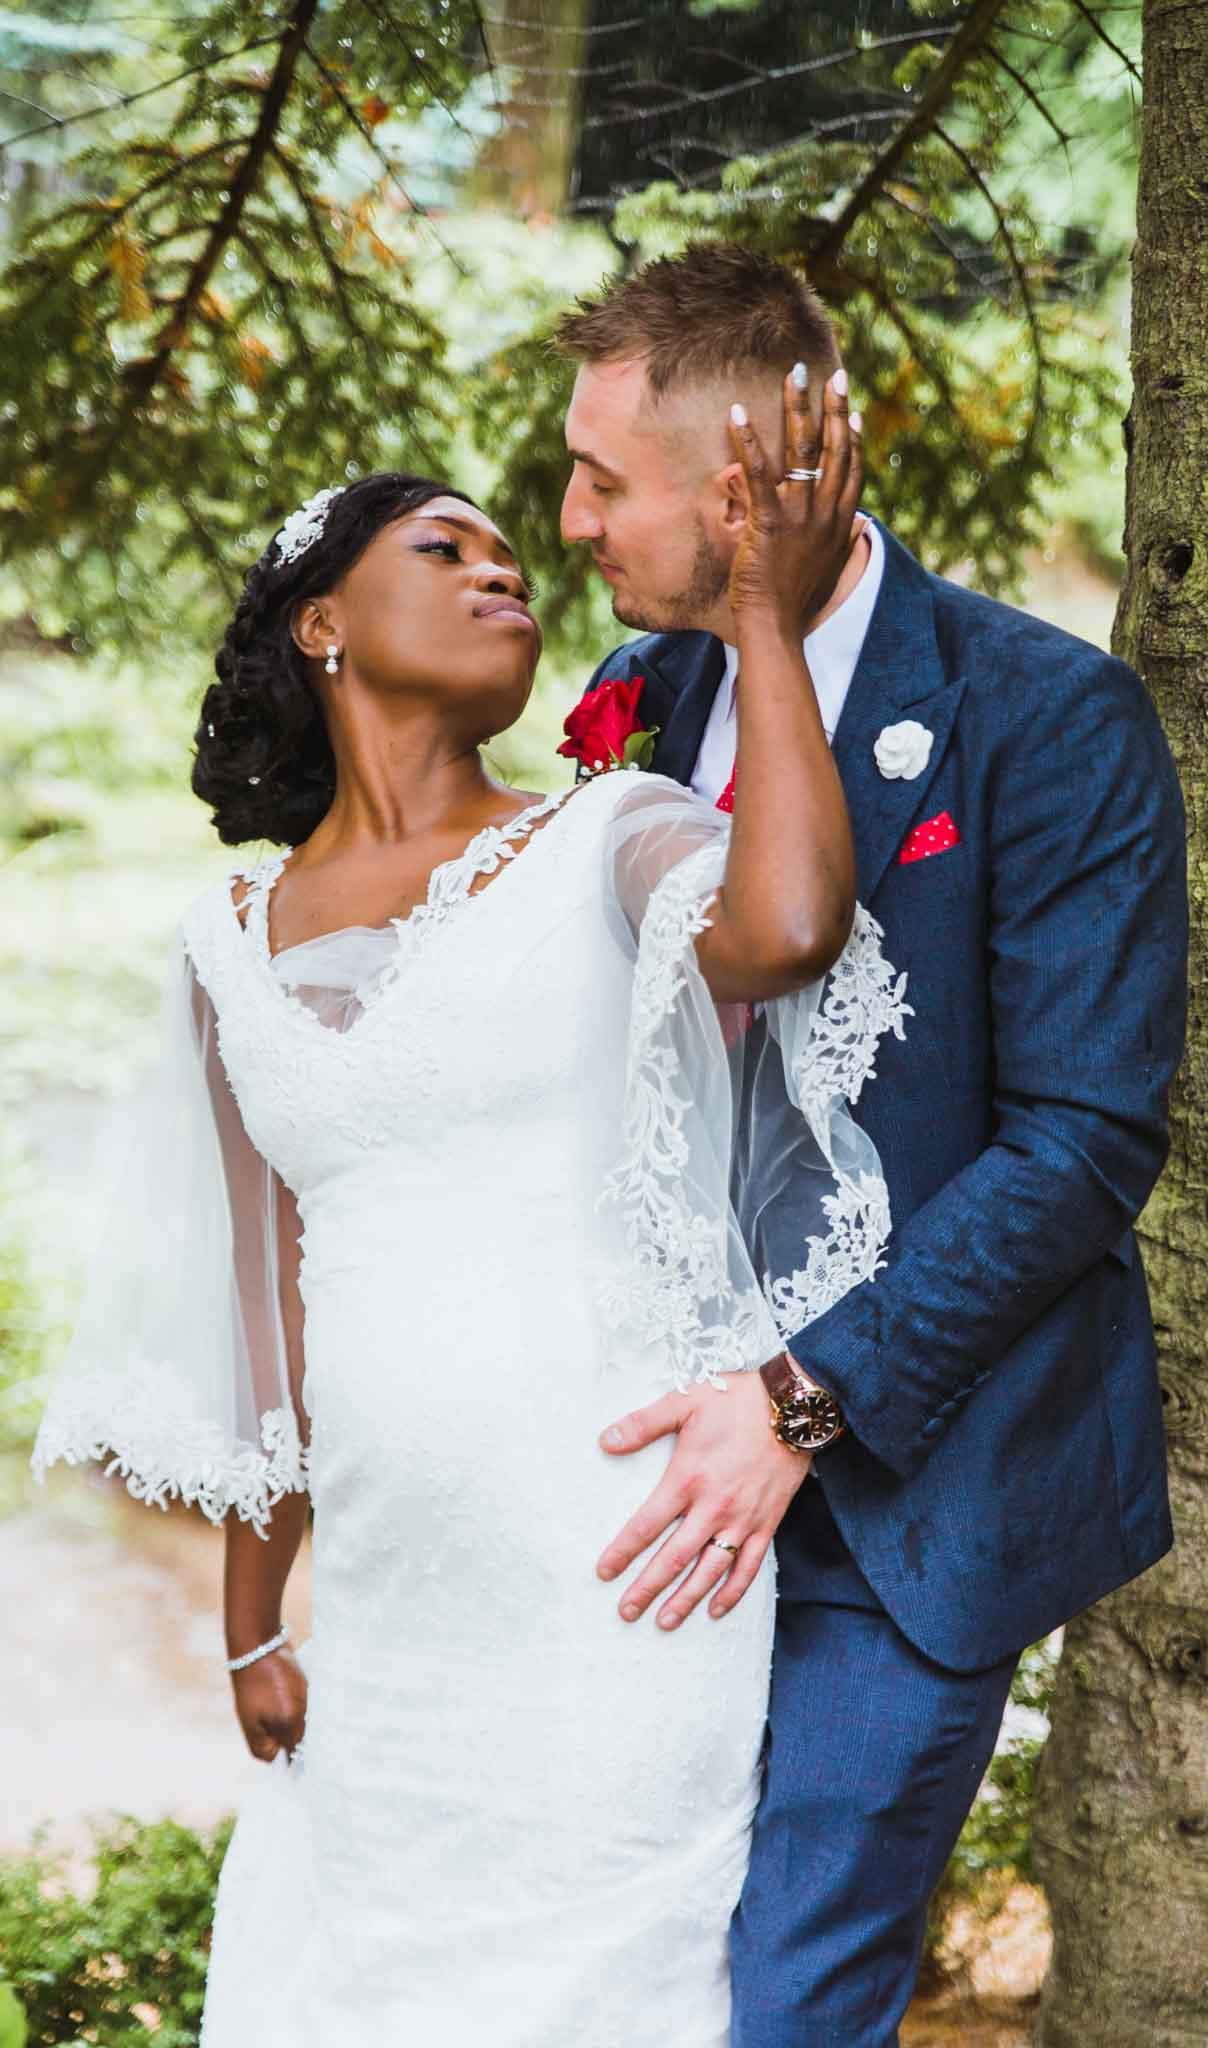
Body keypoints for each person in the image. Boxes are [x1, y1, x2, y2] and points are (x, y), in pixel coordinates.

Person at [31, 381, 916, 2046]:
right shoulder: (228, 939)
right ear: (322, 624)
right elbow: (270, 1305)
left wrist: (764, 623)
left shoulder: (609, 836)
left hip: (614, 1576)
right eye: (446, 547)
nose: (505, 571)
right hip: (386, 1613)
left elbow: (791, 928)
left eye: (517, 557)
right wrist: (247, 1628)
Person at [556, 241, 1189, 2045]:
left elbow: (1080, 1143)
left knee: (784, 2005)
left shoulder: (1047, 717)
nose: (575, 517)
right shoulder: (642, 697)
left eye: (609, 479)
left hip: (910, 1502)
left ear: (745, 490)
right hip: (652, 1483)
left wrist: (802, 1399)